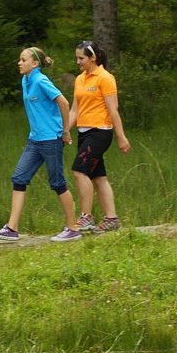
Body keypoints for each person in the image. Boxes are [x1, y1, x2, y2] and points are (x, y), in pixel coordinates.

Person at [0, 47, 83, 243]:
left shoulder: (40, 80)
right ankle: (12, 228)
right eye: (19, 59)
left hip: (51, 139)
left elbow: (64, 103)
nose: (19, 63)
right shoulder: (26, 80)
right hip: (35, 139)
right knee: (19, 178)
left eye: (23, 60)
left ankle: (73, 228)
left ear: (35, 63)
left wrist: (65, 131)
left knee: (57, 183)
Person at [65, 40, 131, 234]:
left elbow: (113, 110)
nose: (78, 61)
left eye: (81, 58)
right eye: (77, 58)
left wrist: (121, 137)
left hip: (100, 132)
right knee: (98, 176)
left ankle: (86, 217)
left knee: (79, 171)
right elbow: (74, 111)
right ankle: (111, 218)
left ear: (93, 58)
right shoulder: (80, 79)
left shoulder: (105, 78)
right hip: (84, 133)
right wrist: (65, 131)